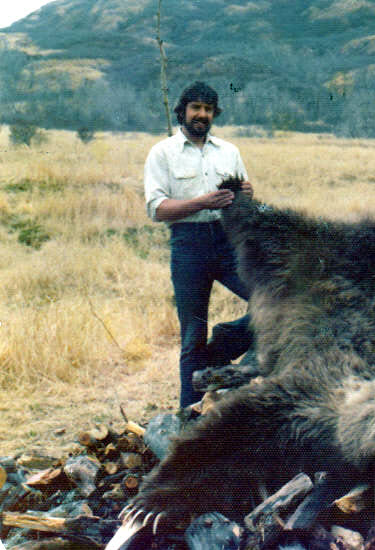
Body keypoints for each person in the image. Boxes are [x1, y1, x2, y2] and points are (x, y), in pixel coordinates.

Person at [144, 81, 254, 408]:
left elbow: (245, 204)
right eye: (196, 108)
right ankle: (188, 417)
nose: (202, 115)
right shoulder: (162, 152)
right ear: (183, 110)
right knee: (192, 338)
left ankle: (223, 344)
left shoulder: (229, 152)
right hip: (188, 247)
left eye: (208, 109)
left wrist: (247, 199)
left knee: (274, 301)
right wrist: (202, 202)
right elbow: (157, 209)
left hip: (227, 241)